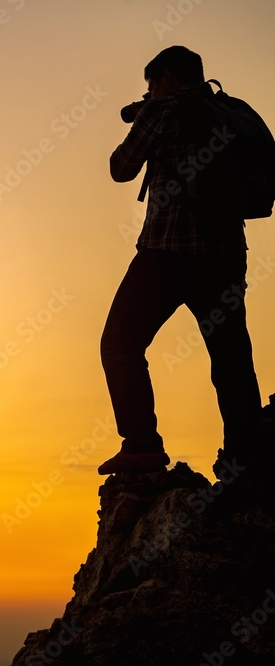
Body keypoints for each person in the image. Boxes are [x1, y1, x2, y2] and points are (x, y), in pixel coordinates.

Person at [98, 45, 262, 475]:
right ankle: (245, 459)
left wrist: (148, 111)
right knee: (231, 358)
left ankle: (142, 447)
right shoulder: (226, 110)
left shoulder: (162, 110)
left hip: (167, 253)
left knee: (120, 344)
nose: (149, 90)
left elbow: (121, 167)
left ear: (166, 78)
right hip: (226, 256)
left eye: (151, 83)